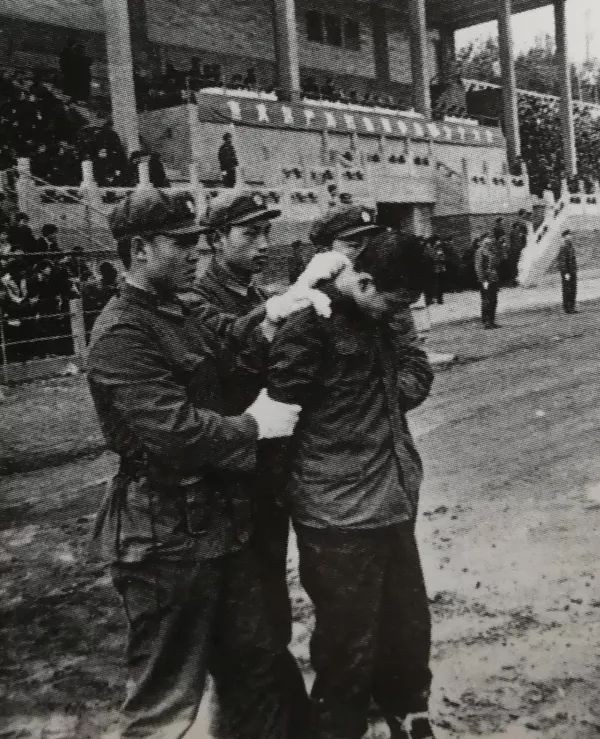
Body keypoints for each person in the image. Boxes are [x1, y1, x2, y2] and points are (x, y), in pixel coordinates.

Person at [86, 187, 344, 737]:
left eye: (196, 242)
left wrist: (281, 303)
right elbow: (172, 432)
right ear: (138, 250)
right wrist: (254, 426)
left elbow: (228, 332)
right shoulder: (121, 332)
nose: (193, 254)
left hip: (220, 523)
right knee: (166, 699)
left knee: (254, 661)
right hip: (163, 535)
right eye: (178, 243)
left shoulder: (178, 305)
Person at [266, 208, 436, 739]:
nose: (397, 313)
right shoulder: (309, 323)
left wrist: (381, 401)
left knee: (409, 624)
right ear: (363, 282)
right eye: (393, 301)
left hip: (389, 494)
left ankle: (408, 711)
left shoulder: (380, 312)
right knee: (348, 642)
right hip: (336, 511)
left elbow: (411, 372)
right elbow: (277, 419)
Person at [194, 190, 309, 735]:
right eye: (250, 234)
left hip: (263, 478)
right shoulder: (199, 301)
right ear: (215, 240)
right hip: (223, 483)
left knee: (269, 607)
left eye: (268, 232)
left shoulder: (255, 293)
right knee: (240, 627)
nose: (264, 244)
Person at [474, 234, 500, 329]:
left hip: (493, 278)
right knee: (486, 300)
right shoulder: (480, 251)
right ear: (483, 242)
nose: (489, 243)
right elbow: (478, 267)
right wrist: (482, 279)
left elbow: (497, 264)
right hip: (485, 280)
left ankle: (492, 321)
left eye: (490, 242)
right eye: (487, 242)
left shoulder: (491, 251)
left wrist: (495, 253)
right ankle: (486, 322)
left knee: (494, 300)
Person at [557, 229, 578, 314]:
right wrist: (565, 273)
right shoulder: (563, 246)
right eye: (569, 235)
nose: (571, 236)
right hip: (567, 272)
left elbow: (573, 259)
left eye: (571, 235)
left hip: (572, 271)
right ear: (565, 237)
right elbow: (562, 261)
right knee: (567, 290)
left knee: (573, 289)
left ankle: (572, 307)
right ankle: (567, 308)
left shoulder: (570, 246)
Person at [424, 236, 448, 306]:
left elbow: (442, 257)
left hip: (438, 268)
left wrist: (439, 258)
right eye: (438, 240)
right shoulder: (428, 248)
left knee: (439, 284)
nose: (439, 242)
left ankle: (439, 299)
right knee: (431, 284)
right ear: (434, 241)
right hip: (430, 269)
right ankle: (430, 299)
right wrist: (438, 258)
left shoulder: (439, 248)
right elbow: (433, 257)